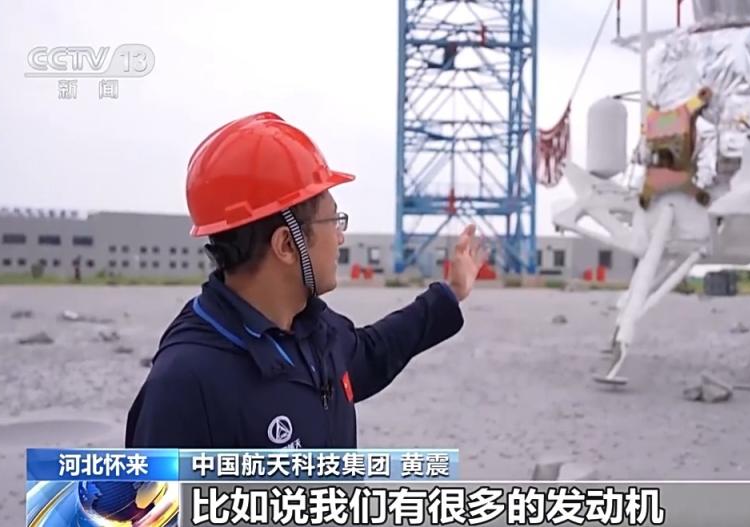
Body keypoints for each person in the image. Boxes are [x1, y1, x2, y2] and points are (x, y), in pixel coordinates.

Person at [125, 112, 483, 448]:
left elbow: (374, 351)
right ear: (286, 244)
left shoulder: (314, 331)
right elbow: (149, 497)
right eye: (334, 221)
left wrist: (451, 293)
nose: (341, 237)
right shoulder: (184, 385)